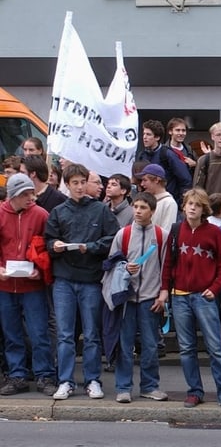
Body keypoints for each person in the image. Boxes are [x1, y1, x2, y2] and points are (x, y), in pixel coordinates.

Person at [45, 163, 120, 400]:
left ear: (87, 182)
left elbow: (112, 239)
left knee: (91, 333)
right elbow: (48, 240)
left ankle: (92, 379)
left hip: (91, 279)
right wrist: (54, 246)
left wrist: (92, 248)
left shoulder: (100, 210)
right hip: (64, 279)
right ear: (67, 185)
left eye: (82, 182)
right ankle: (65, 380)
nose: (79, 187)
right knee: (66, 334)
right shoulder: (59, 211)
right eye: (74, 183)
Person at [170, 188, 221, 411]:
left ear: (203, 209)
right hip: (180, 296)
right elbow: (167, 264)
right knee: (186, 348)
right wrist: (166, 290)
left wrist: (216, 287)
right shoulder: (175, 230)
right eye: (189, 203)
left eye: (197, 205)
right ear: (184, 206)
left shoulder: (214, 232)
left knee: (215, 347)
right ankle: (194, 391)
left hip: (204, 296)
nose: (192, 207)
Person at [106, 192, 170, 404]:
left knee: (151, 344)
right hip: (127, 297)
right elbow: (111, 264)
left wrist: (163, 293)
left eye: (143, 208)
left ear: (152, 211)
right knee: (125, 344)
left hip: (150, 297)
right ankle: (124, 387)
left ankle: (149, 386)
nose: (138, 211)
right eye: (136, 207)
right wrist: (125, 267)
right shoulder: (122, 234)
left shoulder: (161, 235)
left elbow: (166, 267)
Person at [0, 174, 57, 396]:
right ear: (13, 195)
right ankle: (17, 375)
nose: (30, 198)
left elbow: (49, 248)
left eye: (31, 193)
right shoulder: (1, 214)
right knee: (11, 333)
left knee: (39, 332)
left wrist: (41, 271)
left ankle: (45, 375)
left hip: (33, 286)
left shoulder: (41, 215)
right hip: (5, 286)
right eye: (25, 194)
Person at [137, 119, 192, 203]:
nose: (144, 137)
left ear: (157, 137)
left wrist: (181, 202)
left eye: (148, 134)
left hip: (167, 200)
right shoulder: (142, 155)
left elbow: (185, 179)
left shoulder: (168, 154)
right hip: (149, 202)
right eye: (144, 134)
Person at [137, 164, 178, 232]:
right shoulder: (145, 199)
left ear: (156, 180)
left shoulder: (169, 203)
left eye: (145, 180)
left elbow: (166, 232)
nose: (142, 184)